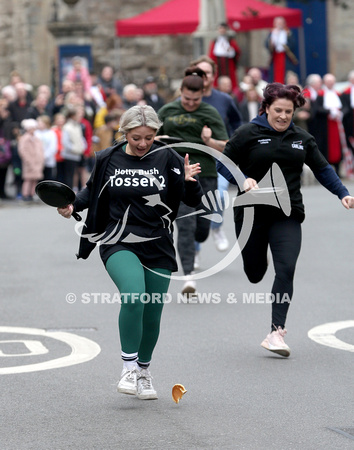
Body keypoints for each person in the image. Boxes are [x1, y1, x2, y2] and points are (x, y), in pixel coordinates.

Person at [57, 105, 202, 400]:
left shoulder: (168, 158)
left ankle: (144, 371)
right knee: (134, 295)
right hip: (117, 240)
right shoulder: (108, 158)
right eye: (136, 137)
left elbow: (192, 200)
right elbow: (90, 192)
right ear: (124, 133)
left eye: (149, 137)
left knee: (152, 313)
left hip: (158, 243)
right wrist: (72, 205)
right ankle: (128, 367)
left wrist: (190, 181)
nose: (142, 143)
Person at [220, 83, 354, 357]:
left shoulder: (301, 138)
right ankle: (258, 259)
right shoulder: (247, 133)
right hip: (251, 214)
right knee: (255, 273)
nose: (283, 116)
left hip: (287, 213)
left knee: (286, 268)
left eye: (288, 112)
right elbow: (222, 164)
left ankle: (276, 332)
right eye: (278, 110)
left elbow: (322, 168)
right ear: (266, 108)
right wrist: (241, 179)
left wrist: (343, 193)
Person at [158, 67, 229, 294]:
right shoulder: (167, 110)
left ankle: (204, 234)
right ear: (180, 91)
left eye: (195, 100)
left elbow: (226, 145)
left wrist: (209, 140)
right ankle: (189, 276)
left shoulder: (209, 112)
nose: (190, 103)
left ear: (202, 94)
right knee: (185, 226)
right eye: (187, 99)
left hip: (205, 173)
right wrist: (156, 139)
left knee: (203, 227)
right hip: (177, 174)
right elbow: (149, 139)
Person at [190, 55, 242, 256]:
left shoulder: (224, 99)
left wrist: (234, 144)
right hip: (192, 158)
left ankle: (216, 227)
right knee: (193, 204)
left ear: (214, 76)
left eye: (207, 73)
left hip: (218, 156)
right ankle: (193, 251)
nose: (203, 77)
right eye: (198, 73)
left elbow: (237, 125)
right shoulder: (185, 99)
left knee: (219, 195)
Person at [314, 73, 343, 175]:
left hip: (337, 126)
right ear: (325, 83)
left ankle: (338, 170)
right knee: (326, 147)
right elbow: (317, 109)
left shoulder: (338, 94)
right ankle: (328, 171)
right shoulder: (321, 94)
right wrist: (329, 112)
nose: (330, 84)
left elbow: (344, 107)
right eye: (328, 82)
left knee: (338, 147)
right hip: (325, 126)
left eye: (332, 82)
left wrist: (339, 113)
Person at [208, 22, 242, 91]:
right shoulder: (215, 41)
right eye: (220, 28)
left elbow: (237, 52)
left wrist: (231, 50)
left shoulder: (230, 41)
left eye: (223, 28)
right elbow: (211, 55)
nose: (222, 30)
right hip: (218, 64)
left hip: (228, 64)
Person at [18, 118, 44, 201]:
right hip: (29, 162)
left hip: (37, 162)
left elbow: (40, 149)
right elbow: (22, 150)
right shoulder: (25, 138)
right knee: (28, 179)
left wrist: (41, 159)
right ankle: (25, 194)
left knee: (35, 179)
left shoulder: (36, 138)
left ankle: (32, 194)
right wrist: (28, 160)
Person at [266, 17, 298, 84]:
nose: (279, 24)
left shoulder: (288, 33)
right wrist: (272, 41)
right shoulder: (272, 33)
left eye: (280, 23)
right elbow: (267, 45)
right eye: (277, 23)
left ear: (284, 24)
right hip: (275, 57)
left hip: (285, 57)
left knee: (287, 75)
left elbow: (293, 45)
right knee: (274, 76)